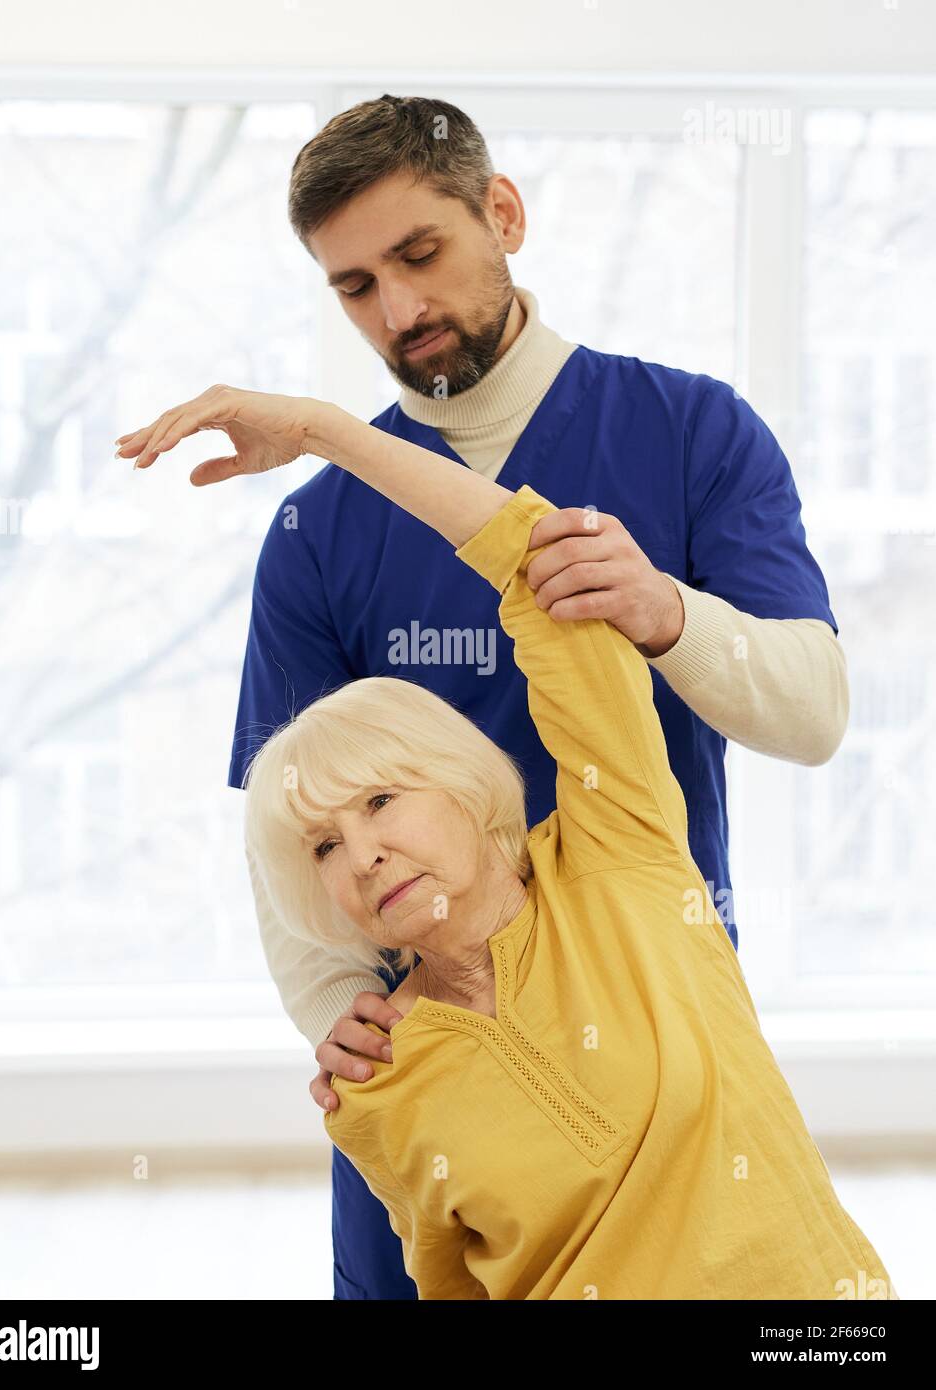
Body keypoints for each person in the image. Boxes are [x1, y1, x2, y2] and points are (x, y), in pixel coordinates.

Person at [127, 93, 851, 1299]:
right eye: (354, 287)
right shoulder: (316, 529)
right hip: (439, 1052)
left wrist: (664, 612)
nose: (399, 310)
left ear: (501, 215)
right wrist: (336, 1010)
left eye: (421, 255)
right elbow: (282, 822)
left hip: (648, 1015)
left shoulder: (692, 433)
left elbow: (814, 715)